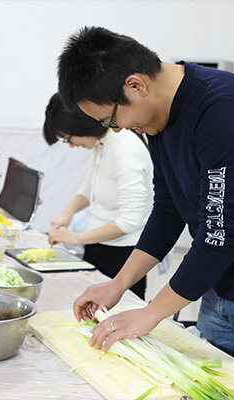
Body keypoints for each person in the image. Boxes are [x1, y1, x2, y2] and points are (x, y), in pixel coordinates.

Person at [58, 27, 234, 400]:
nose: (118, 129)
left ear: (136, 85)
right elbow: (168, 208)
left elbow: (220, 238)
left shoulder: (224, 111)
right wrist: (119, 283)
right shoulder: (158, 117)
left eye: (111, 120)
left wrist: (151, 313)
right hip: (222, 288)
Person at [43, 93, 153, 299]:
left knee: (116, 311)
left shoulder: (126, 149)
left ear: (80, 124)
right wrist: (67, 213)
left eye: (69, 139)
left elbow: (131, 220)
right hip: (100, 244)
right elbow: (89, 187)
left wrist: (77, 238)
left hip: (123, 253)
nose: (72, 145)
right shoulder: (104, 142)